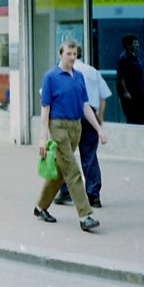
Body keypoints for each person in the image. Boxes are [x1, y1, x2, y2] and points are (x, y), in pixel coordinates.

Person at [33, 39, 105, 233]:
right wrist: (43, 138)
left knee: (61, 170)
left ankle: (40, 207)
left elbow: (85, 106)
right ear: (60, 54)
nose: (72, 58)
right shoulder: (50, 77)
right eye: (69, 54)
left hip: (76, 128)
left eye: (75, 54)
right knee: (73, 171)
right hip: (58, 127)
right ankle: (85, 216)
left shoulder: (79, 76)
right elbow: (45, 108)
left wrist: (98, 129)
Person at [54, 43, 111, 208]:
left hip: (70, 115)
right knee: (89, 155)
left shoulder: (62, 71)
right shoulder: (92, 71)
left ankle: (65, 190)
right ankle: (93, 194)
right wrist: (99, 117)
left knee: (66, 155)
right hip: (90, 114)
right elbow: (103, 96)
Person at [116, 34, 144, 124]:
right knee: (132, 117)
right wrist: (125, 92)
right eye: (135, 43)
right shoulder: (124, 58)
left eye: (137, 42)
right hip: (131, 93)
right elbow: (121, 77)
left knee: (141, 116)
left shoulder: (136, 56)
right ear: (128, 45)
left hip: (139, 91)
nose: (137, 45)